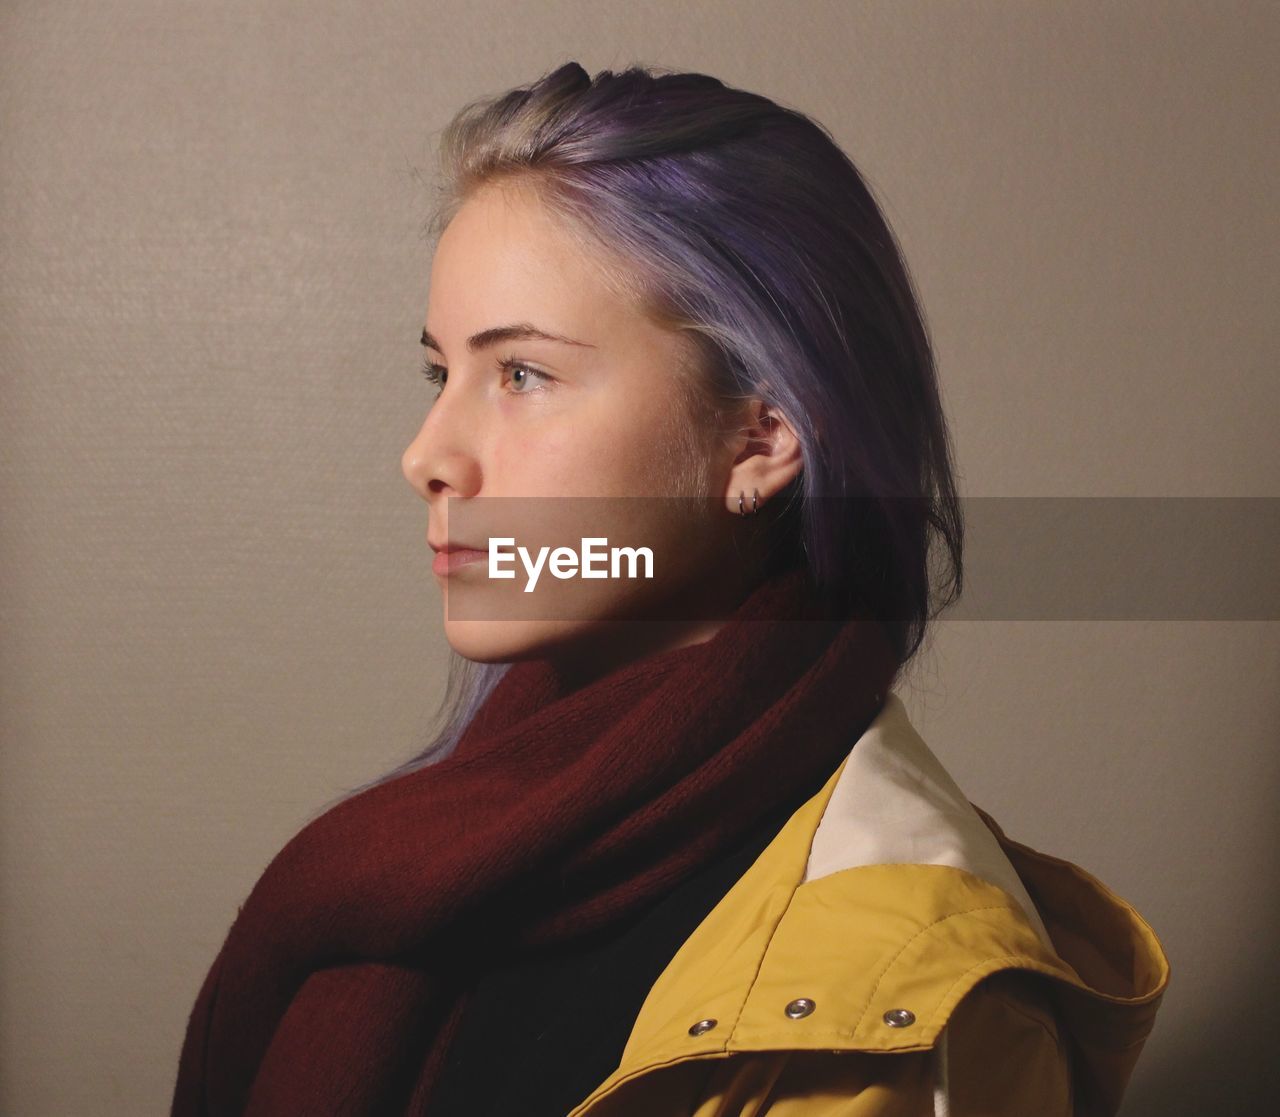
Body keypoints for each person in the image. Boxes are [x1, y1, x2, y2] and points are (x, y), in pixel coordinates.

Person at [171, 62, 1170, 1117]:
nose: (427, 455)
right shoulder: (432, 849)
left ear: (761, 436)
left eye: (520, 375)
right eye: (441, 373)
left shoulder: (911, 997)